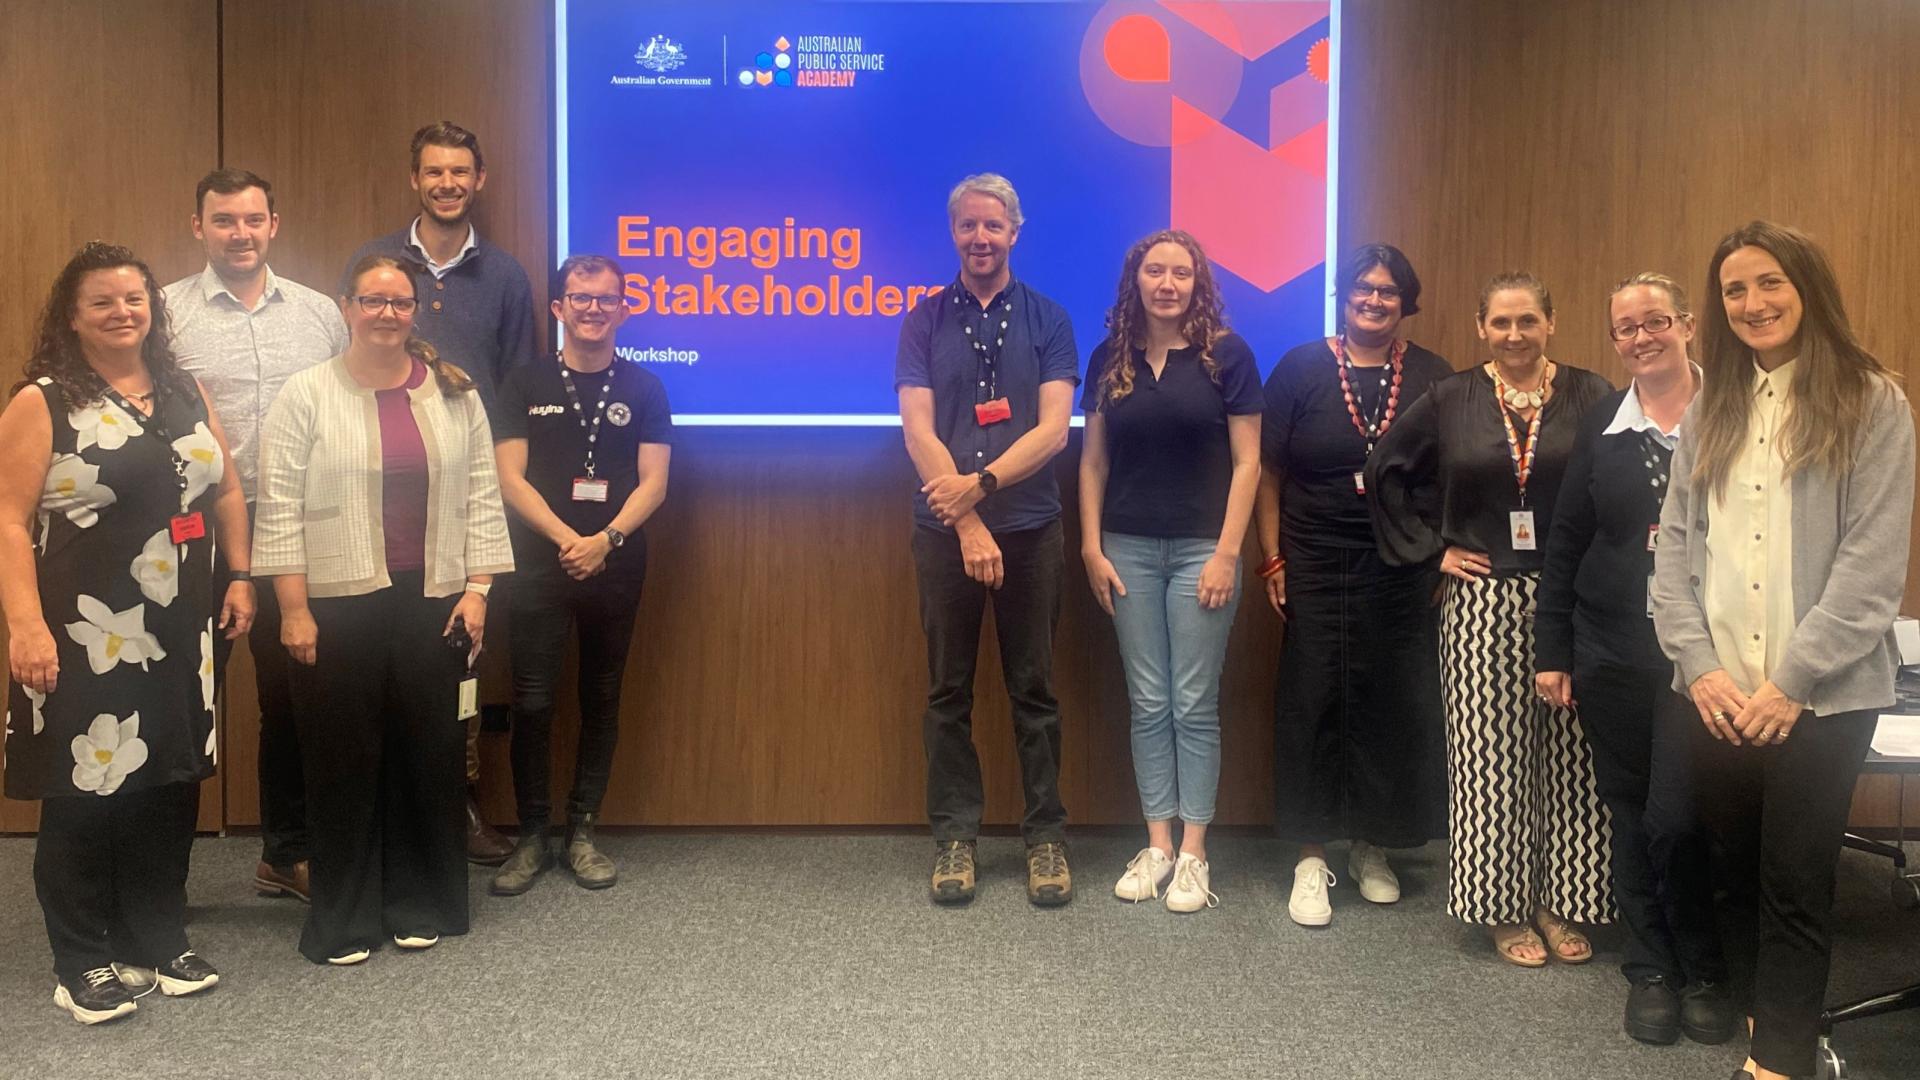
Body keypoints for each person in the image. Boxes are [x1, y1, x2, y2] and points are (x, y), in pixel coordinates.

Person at [1651, 222, 1914, 1080]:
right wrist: (1703, 671)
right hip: (1720, 695)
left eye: (1769, 283)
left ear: (1807, 287)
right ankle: (1771, 1018)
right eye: (1734, 290)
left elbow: (1872, 574)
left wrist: (1791, 684)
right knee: (1728, 868)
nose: (1753, 303)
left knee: (1796, 881)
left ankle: (1784, 1062)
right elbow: (1675, 559)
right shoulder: (1711, 410)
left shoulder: (1872, 401)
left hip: (1824, 698)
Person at [1, 242, 253, 1022]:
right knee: (85, 788)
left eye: (135, 299)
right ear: (71, 317)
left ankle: (155, 936)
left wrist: (240, 573)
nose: (122, 312)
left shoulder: (185, 391)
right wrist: (25, 627)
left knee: (168, 784)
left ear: (154, 309)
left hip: (183, 630)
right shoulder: (43, 402)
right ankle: (82, 956)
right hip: (84, 630)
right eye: (103, 302)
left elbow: (227, 487)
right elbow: (9, 522)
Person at [254, 255, 514, 965]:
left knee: (426, 756)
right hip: (336, 604)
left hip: (434, 600)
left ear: (415, 313)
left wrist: (480, 588)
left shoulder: (454, 394)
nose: (387, 313)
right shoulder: (305, 394)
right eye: (373, 300)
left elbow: (484, 497)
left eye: (400, 302)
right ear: (346, 307)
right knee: (342, 762)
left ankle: (418, 903)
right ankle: (345, 920)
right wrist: (294, 610)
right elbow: (276, 507)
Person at [1366, 270, 1615, 966]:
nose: (1514, 335)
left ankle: (1564, 899)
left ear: (1551, 323)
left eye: (1527, 321)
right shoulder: (1449, 398)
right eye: (1501, 323)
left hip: (1574, 598)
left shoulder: (1592, 395)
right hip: (1485, 600)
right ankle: (1500, 907)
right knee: (1491, 759)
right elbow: (1386, 468)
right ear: (1481, 328)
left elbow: (1620, 484)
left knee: (1575, 758)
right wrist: (1431, 549)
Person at [1535, 272, 1732, 1046]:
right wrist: (1554, 650)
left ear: (1686, 324)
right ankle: (1651, 969)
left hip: (1709, 658)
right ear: (1614, 341)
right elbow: (1566, 541)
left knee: (1682, 817)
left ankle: (1708, 964)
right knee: (1628, 810)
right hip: (1612, 648)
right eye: (1625, 329)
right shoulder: (1600, 428)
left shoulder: (1735, 414)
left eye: (1655, 321)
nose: (1641, 337)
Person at [344, 120, 535, 865]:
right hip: (384, 490)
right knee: (382, 651)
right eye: (434, 172)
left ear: (478, 180)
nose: (447, 183)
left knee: (462, 658)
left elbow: (516, 389)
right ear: (414, 179)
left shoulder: (508, 277)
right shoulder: (379, 266)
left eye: (460, 172)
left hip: (469, 493)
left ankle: (457, 806)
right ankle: (393, 811)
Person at [164, 167, 349, 905]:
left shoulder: (318, 316)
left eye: (252, 220)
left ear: (275, 224)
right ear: (198, 226)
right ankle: (160, 872)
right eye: (223, 220)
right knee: (180, 704)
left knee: (293, 703)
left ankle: (287, 853)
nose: (239, 233)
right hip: (187, 539)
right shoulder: (165, 314)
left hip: (293, 537)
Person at [1255, 243, 1453, 927]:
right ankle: (1313, 854)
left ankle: (1373, 844)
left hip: (1399, 564)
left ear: (1407, 301)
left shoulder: (1431, 374)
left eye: (1389, 291)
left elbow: (1447, 477)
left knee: (1389, 700)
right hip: (1312, 557)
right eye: (1363, 289)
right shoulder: (1302, 368)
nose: (1375, 300)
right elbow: (1269, 473)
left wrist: (1436, 557)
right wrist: (1272, 559)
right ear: (1344, 296)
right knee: (1312, 696)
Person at [896, 173, 1078, 906]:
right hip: (945, 536)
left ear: (1015, 232)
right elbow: (918, 429)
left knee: (1033, 690)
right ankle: (954, 840)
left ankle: (1046, 841)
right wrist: (966, 519)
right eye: (968, 226)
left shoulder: (1049, 319)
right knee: (948, 692)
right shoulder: (923, 320)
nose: (981, 238)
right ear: (954, 233)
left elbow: (1053, 429)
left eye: (993, 227)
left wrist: (984, 488)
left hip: (1032, 529)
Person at [1079, 230, 1260, 912]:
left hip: (1200, 552)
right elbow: (1092, 462)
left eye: (1180, 272)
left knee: (1193, 702)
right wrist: (1091, 547)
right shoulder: (1110, 358)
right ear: (1137, 280)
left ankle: (1194, 853)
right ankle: (1157, 844)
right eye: (1155, 270)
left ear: (1197, 283)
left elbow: (1248, 463)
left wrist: (1226, 552)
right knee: (1148, 701)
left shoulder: (1227, 356)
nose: (1167, 283)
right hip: (1125, 548)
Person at [490, 253, 673, 895]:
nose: (594, 308)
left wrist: (606, 540)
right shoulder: (524, 383)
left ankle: (585, 829)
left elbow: (655, 483)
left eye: (606, 298)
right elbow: (508, 477)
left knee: (601, 698)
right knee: (534, 701)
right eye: (580, 297)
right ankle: (533, 836)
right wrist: (572, 539)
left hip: (616, 564)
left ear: (623, 308)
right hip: (539, 562)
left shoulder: (646, 388)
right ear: (559, 308)